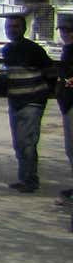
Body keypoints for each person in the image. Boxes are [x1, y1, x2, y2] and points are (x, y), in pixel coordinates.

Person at [0, 14, 54, 193]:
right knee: (19, 143)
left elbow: (50, 72)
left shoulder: (33, 50)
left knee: (27, 142)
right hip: (15, 102)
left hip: (32, 102)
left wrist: (43, 93)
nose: (11, 30)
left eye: (15, 26)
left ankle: (30, 181)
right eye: (8, 27)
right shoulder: (7, 50)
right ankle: (24, 177)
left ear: (23, 29)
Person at [57, 16, 73, 204]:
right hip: (67, 104)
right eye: (62, 30)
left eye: (69, 31)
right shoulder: (67, 50)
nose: (65, 34)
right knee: (70, 149)